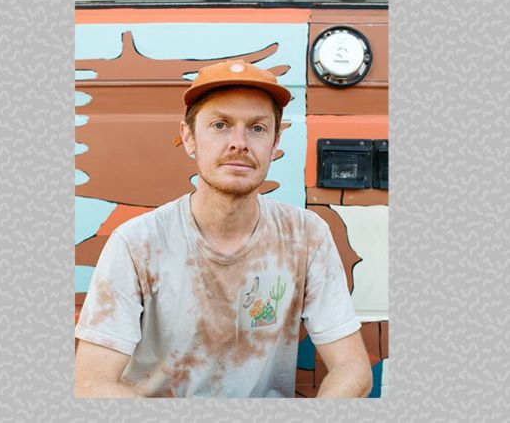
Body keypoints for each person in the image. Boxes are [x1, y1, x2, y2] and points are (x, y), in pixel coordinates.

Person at [74, 59, 372, 398]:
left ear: (275, 143)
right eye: (220, 125)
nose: (239, 142)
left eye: (257, 128)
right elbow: (91, 384)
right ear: (189, 138)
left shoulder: (305, 235)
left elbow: (352, 368)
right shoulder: (137, 243)